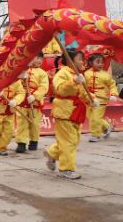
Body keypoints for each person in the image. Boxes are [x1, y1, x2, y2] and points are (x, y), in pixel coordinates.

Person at [44, 49, 94, 179]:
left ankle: (52, 153)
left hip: (75, 110)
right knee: (69, 141)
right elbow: (60, 89)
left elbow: (83, 93)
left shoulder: (77, 74)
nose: (82, 62)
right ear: (70, 60)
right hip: (64, 111)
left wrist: (93, 99)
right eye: (79, 59)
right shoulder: (62, 73)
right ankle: (66, 168)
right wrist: (74, 82)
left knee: (73, 140)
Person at [15, 53, 49, 152]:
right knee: (22, 122)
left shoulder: (42, 73)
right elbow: (17, 84)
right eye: (37, 58)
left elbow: (44, 87)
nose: (39, 61)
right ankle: (21, 143)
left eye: (41, 59)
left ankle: (34, 140)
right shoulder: (23, 70)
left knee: (35, 123)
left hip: (35, 102)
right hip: (23, 98)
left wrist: (35, 96)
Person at [84, 53, 117, 142]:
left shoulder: (105, 75)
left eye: (102, 62)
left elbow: (112, 85)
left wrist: (113, 94)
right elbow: (82, 86)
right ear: (90, 63)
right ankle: (106, 126)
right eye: (98, 62)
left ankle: (96, 135)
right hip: (89, 98)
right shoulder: (86, 74)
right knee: (90, 116)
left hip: (101, 99)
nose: (100, 64)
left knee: (95, 117)